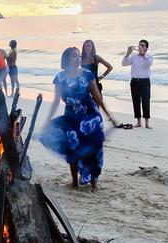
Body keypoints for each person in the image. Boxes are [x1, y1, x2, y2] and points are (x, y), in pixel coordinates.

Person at [40, 47, 119, 190]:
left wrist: (109, 116)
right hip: (71, 116)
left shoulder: (87, 74)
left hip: (90, 117)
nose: (78, 59)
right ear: (66, 59)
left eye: (79, 56)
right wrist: (47, 120)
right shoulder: (60, 77)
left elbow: (97, 97)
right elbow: (56, 101)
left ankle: (94, 182)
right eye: (74, 56)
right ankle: (74, 181)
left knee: (94, 149)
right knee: (73, 148)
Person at [123, 40, 153, 128]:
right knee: (135, 101)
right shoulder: (133, 56)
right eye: (140, 45)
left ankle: (147, 122)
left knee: (146, 101)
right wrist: (128, 53)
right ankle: (138, 121)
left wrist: (143, 54)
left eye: (143, 45)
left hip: (145, 81)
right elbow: (124, 63)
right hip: (134, 81)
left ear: (147, 48)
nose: (141, 47)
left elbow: (148, 64)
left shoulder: (149, 57)